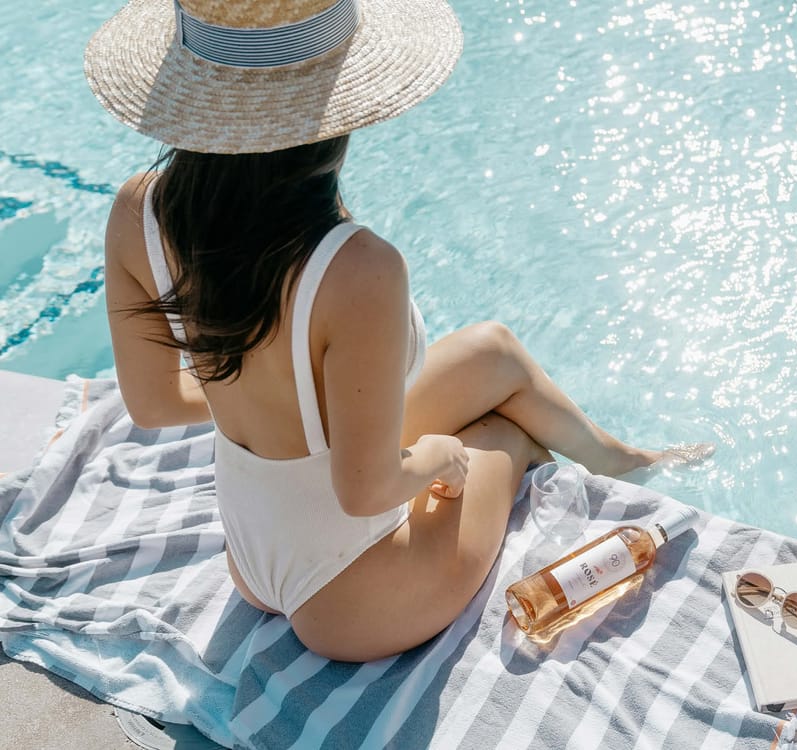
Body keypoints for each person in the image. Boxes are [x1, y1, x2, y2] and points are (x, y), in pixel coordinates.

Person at [85, 0, 712, 662]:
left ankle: (619, 458)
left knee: (491, 352)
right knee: (504, 432)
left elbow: (152, 404)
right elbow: (366, 491)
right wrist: (441, 456)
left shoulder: (139, 208)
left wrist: (255, 387)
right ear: (338, 104)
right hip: (356, 597)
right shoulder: (356, 268)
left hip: (254, 555)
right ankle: (626, 480)